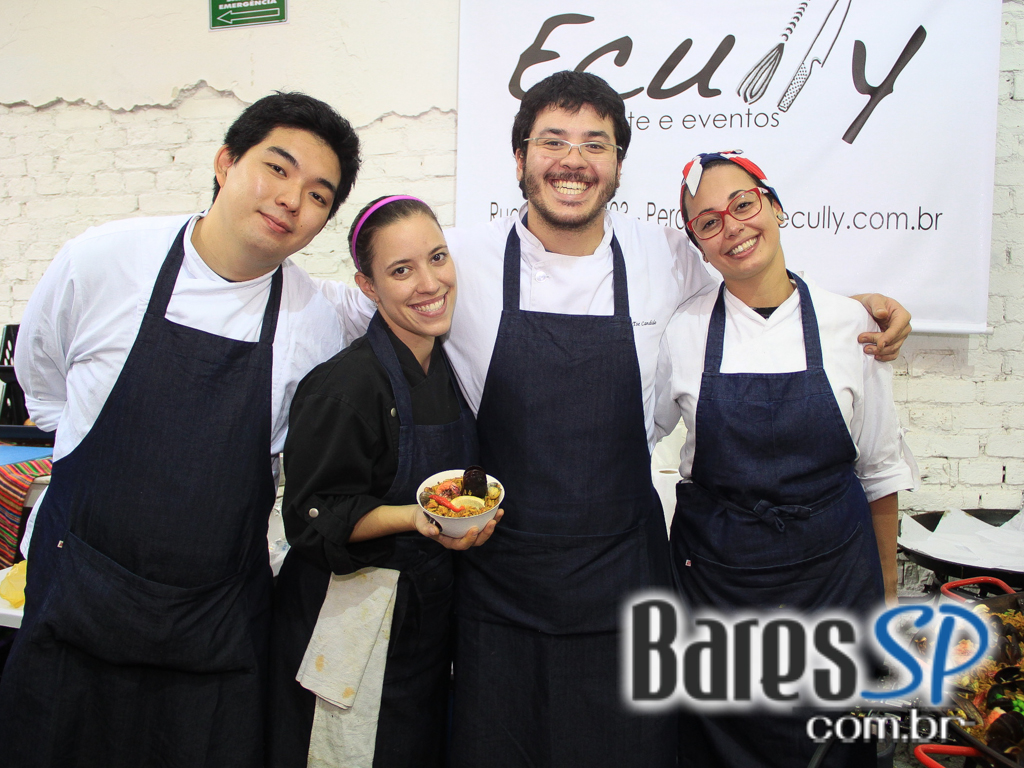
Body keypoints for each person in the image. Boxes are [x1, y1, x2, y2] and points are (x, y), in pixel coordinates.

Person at [318, 71, 912, 768]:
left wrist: (852, 309)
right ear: (520, 160)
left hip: (624, 579)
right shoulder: (462, 263)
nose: (573, 160)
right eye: (553, 141)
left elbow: (757, 291)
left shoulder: (665, 255)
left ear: (619, 165)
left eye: (595, 144)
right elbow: (364, 303)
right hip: (503, 575)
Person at [0, 92, 363, 768]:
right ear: (225, 162)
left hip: (213, 638)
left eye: (318, 195)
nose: (292, 199)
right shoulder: (104, 260)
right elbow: (42, 383)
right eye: (277, 169)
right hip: (75, 614)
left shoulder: (317, 324)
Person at [657, 150, 919, 767]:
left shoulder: (849, 323)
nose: (733, 227)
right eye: (709, 222)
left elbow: (879, 472)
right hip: (719, 587)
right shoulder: (683, 331)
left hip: (835, 579)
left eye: (743, 205)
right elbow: (636, 434)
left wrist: (883, 598)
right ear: (698, 244)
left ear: (774, 207)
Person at [268, 195, 501, 768]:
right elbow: (310, 515)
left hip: (425, 619)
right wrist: (417, 518)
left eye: (437, 258)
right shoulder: (344, 386)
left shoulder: (453, 367)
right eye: (401, 270)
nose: (429, 283)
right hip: (350, 625)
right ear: (367, 287)